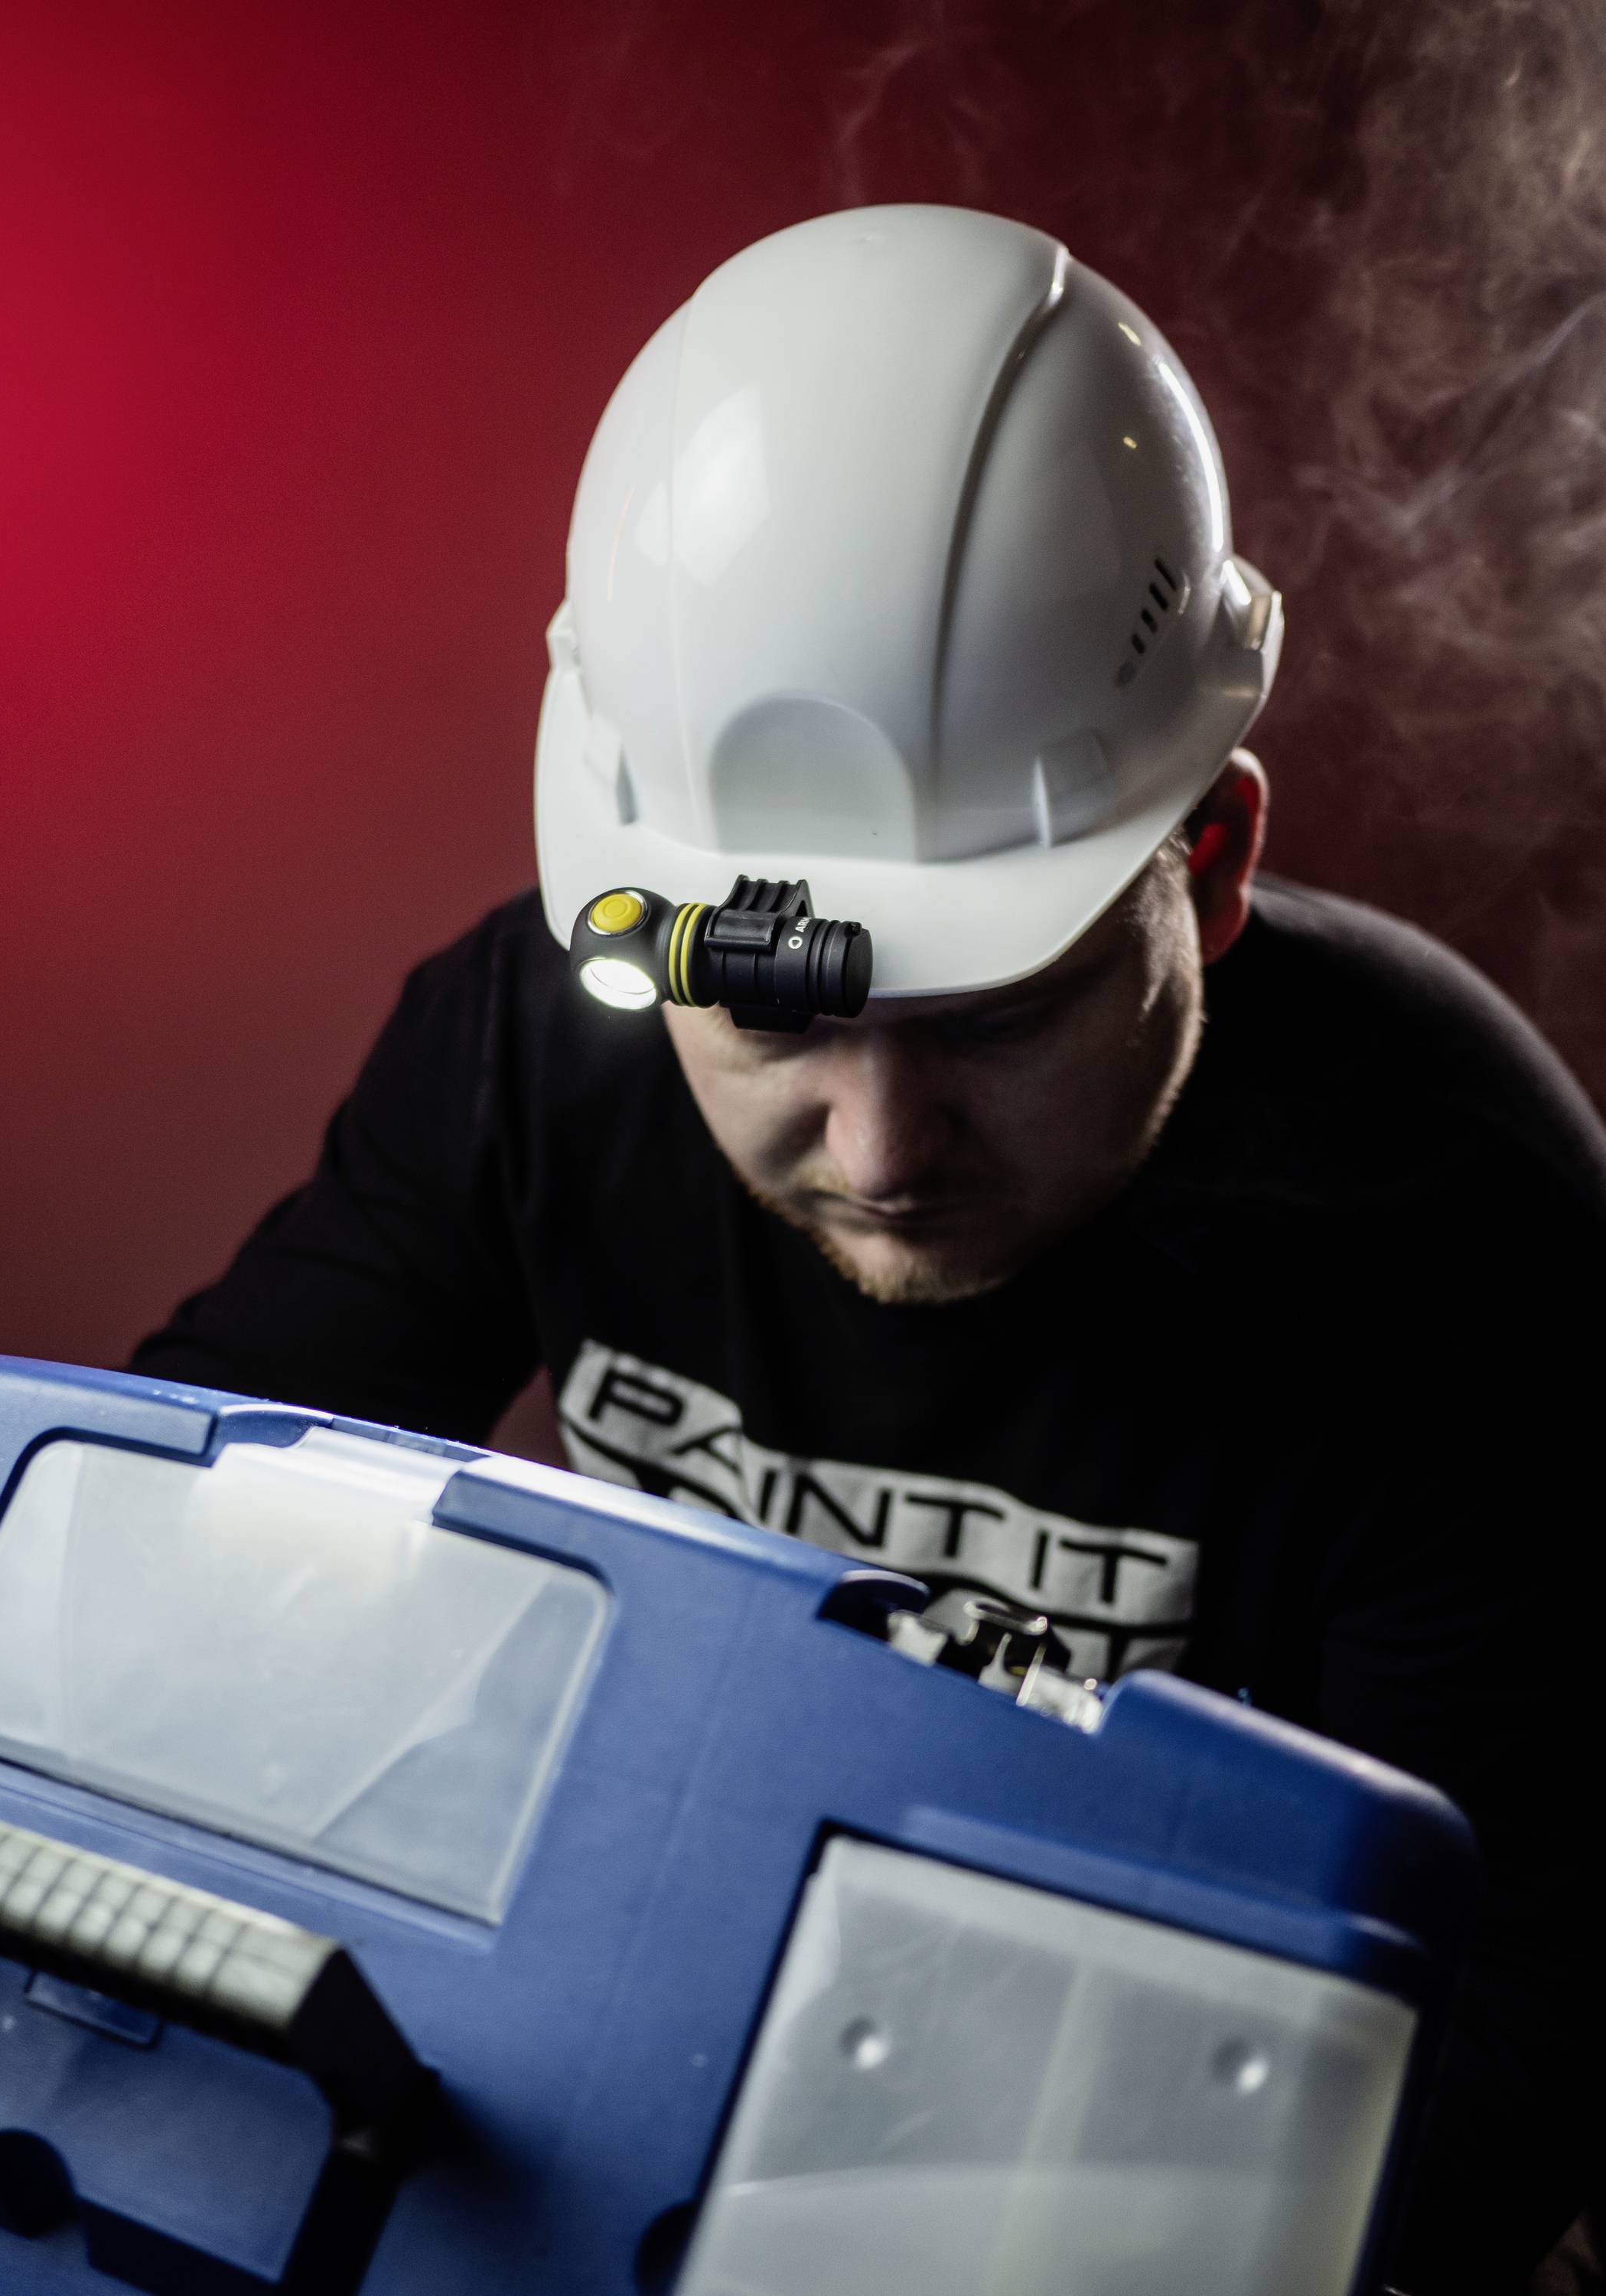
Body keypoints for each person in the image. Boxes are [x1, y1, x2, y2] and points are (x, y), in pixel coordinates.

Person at [132, 208, 1604, 2291]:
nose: (881, 1149)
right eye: (776, 1023)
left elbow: (1516, 2016)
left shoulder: (1455, 1221)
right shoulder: (529, 1046)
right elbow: (173, 1539)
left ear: (1211, 859)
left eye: (998, 1019)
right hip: (623, 2090)